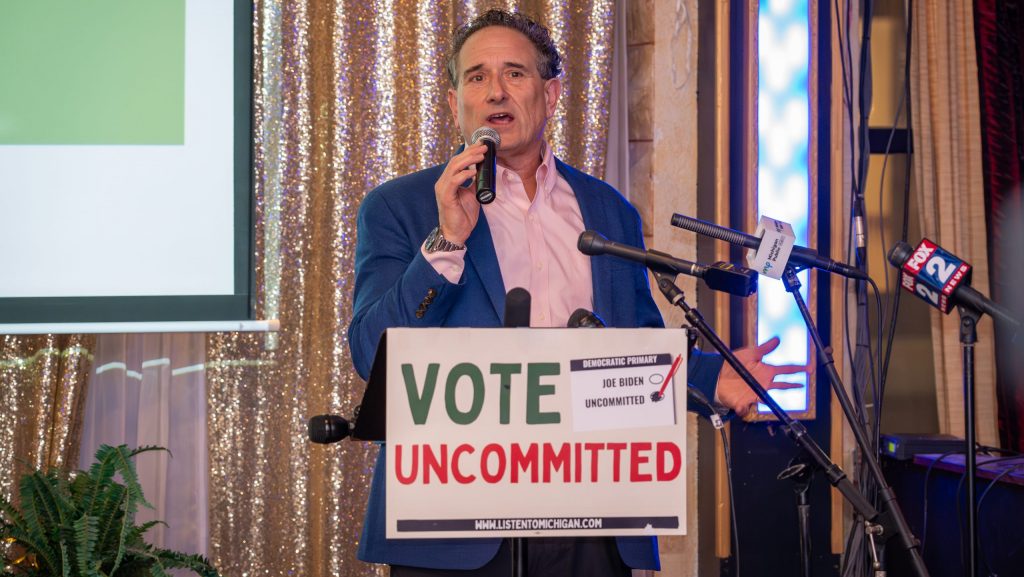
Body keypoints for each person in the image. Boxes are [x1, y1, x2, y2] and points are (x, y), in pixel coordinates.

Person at [347, 9, 800, 576]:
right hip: (455, 521)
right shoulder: (401, 208)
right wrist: (446, 240)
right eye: (476, 77)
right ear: (453, 101)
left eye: (514, 73)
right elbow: (372, 353)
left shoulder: (608, 209)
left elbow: (634, 346)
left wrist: (712, 376)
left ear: (552, 92)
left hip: (589, 505)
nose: (494, 92)